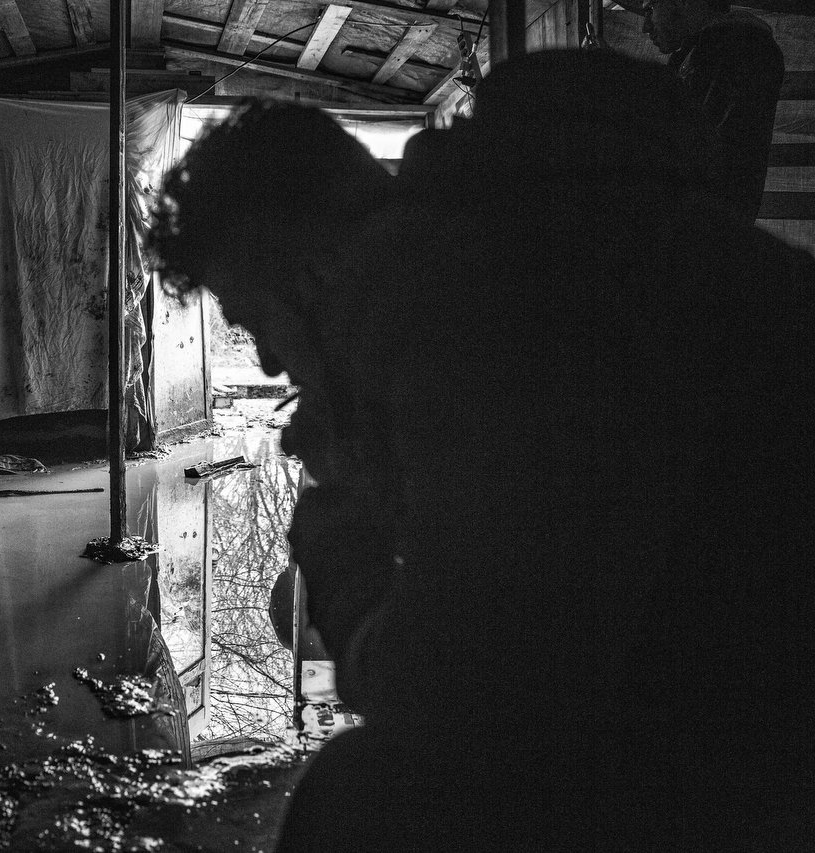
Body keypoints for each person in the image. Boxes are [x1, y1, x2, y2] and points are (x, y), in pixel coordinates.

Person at [149, 48, 814, 851]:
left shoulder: (479, 313)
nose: (265, 362)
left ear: (315, 270)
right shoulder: (544, 236)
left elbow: (464, 703)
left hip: (760, 779)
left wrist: (339, 533)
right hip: (750, 713)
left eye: (254, 321)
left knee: (358, 800)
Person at [620, 0, 784, 223]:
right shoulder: (718, 49)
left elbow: (690, 152)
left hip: (700, 231)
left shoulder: (729, 48)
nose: (645, 26)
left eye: (650, 9)